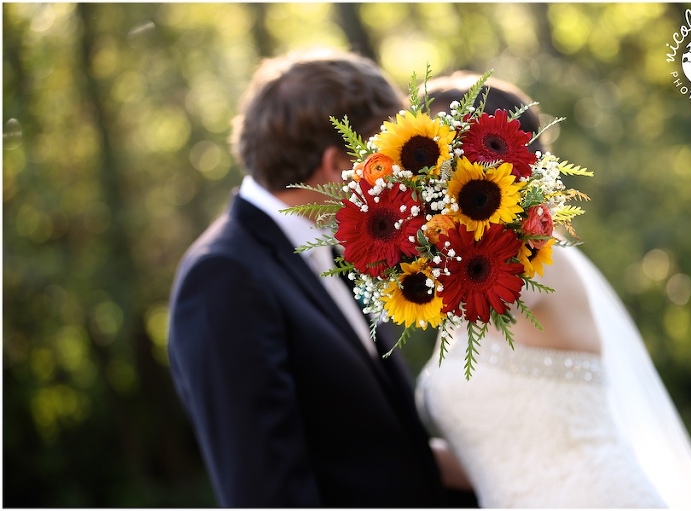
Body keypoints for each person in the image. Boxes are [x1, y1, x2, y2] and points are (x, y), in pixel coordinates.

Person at [167, 49, 474, 507]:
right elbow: (266, 491)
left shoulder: (327, 245)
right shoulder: (224, 279)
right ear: (336, 166)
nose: (397, 179)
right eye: (384, 158)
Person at [415, 71, 691, 508]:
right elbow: (503, 458)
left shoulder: (541, 260)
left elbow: (481, 285)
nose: (424, 176)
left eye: (436, 159)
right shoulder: (454, 282)